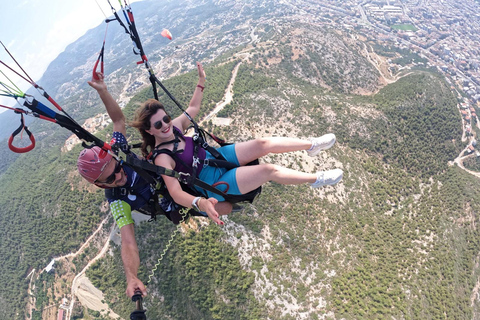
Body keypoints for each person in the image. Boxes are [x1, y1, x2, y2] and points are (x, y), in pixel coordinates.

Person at [77, 65, 231, 298]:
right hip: (174, 202)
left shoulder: (118, 151)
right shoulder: (117, 200)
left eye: (118, 167)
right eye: (111, 178)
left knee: (230, 194)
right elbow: (128, 241)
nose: (120, 175)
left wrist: (102, 91)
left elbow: (118, 120)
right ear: (100, 184)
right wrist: (131, 276)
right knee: (227, 207)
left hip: (177, 178)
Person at [130, 62, 344, 228]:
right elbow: (176, 193)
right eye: (158, 124)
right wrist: (200, 203)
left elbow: (193, 107)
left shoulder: (175, 126)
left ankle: (311, 145)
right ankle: (318, 179)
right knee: (268, 170)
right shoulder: (162, 157)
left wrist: (201, 81)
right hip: (214, 181)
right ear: (149, 130)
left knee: (263, 143)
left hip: (217, 157)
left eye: (166, 119)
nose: (165, 125)